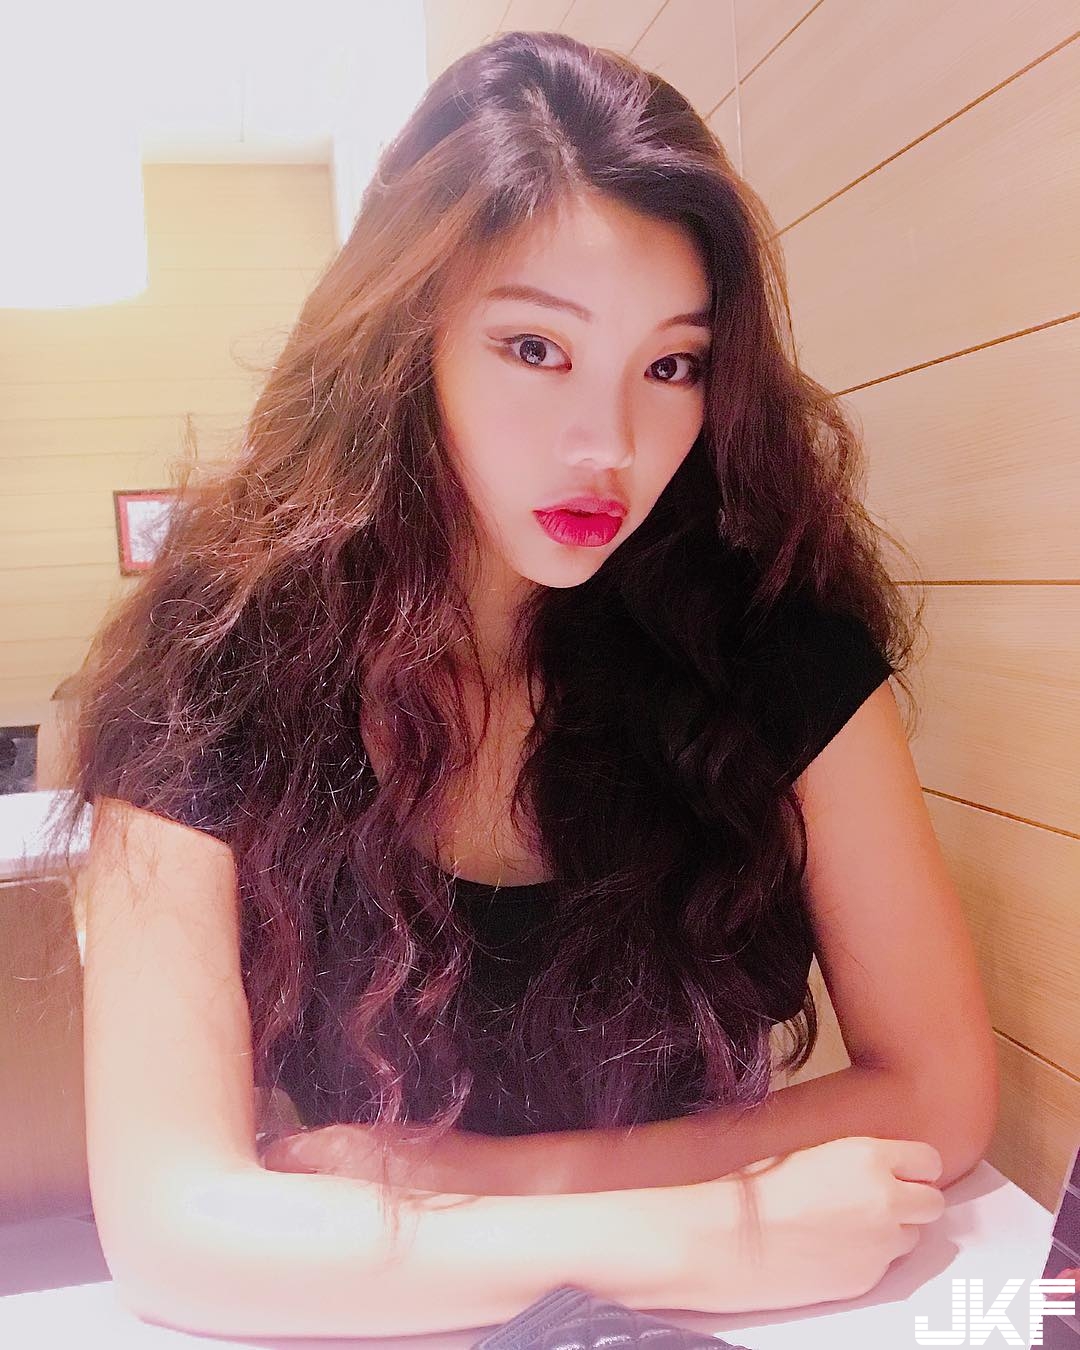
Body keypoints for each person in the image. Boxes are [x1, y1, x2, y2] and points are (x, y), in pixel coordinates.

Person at [34, 29, 997, 1339]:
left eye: (671, 365)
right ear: (409, 337)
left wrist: (484, 1183)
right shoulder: (218, 662)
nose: (609, 442)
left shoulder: (766, 625)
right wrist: (706, 1231)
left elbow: (940, 1088)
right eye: (536, 347)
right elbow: (174, 1229)